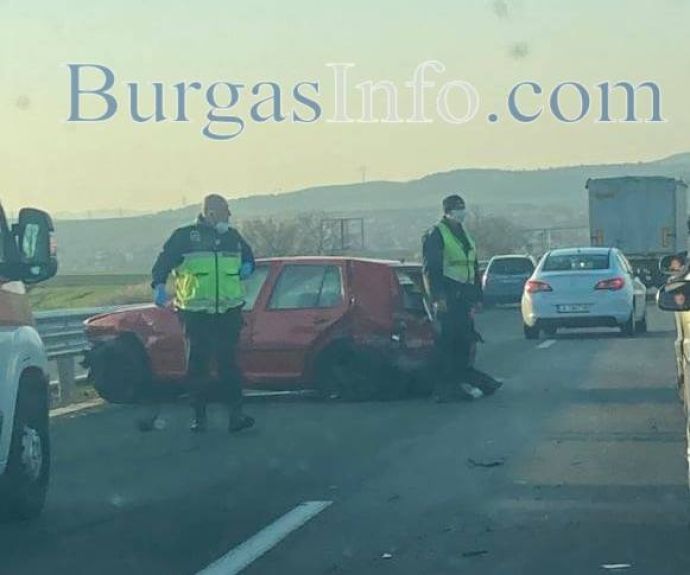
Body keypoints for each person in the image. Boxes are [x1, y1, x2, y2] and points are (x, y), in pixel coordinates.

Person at [148, 194, 256, 432]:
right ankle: (199, 416)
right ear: (211, 213)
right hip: (196, 313)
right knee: (198, 366)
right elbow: (163, 263)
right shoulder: (185, 237)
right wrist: (159, 285)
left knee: (229, 365)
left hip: (228, 311)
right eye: (226, 212)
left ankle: (236, 416)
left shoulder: (232, 237)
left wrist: (249, 265)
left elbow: (249, 257)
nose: (229, 216)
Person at [422, 194, 502, 402]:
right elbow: (431, 269)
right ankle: (446, 387)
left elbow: (472, 265)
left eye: (462, 207)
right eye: (457, 208)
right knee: (450, 343)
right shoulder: (436, 234)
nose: (461, 212)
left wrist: (477, 296)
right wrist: (438, 297)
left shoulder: (463, 234)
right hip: (449, 295)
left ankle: (464, 380)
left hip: (463, 296)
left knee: (464, 341)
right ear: (447, 211)